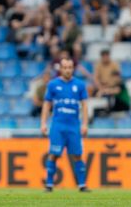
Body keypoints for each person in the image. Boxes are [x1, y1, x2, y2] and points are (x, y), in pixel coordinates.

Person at [41, 58, 90, 192]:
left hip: (74, 126)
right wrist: (43, 123)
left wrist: (85, 124)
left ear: (73, 68)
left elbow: (85, 105)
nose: (67, 70)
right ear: (60, 69)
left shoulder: (79, 85)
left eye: (70, 67)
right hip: (58, 126)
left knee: (77, 155)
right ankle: (49, 184)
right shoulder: (53, 85)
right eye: (65, 67)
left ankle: (82, 185)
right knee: (53, 154)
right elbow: (46, 104)